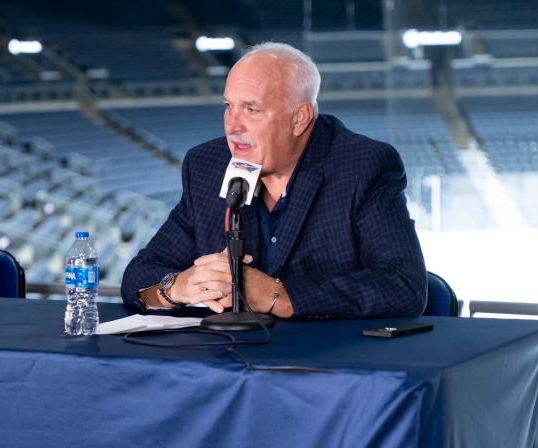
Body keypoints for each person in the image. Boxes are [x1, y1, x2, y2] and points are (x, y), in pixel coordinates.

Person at [121, 43, 427, 319]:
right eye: (229, 106)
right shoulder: (207, 165)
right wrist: (177, 287)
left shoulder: (362, 166)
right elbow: (138, 275)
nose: (233, 125)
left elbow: (403, 286)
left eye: (251, 109)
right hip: (230, 363)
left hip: (330, 366)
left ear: (300, 118)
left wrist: (280, 297)